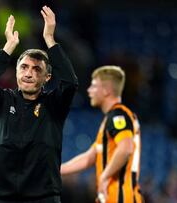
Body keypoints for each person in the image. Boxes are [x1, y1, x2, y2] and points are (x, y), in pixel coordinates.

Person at [0, 5, 78, 203]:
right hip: (3, 198)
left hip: (43, 198)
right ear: (16, 72)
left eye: (36, 69)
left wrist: (50, 40)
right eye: (23, 67)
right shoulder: (2, 101)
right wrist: (8, 47)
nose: (29, 73)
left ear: (47, 77)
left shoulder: (54, 104)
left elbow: (70, 83)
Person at [61, 66, 143, 203]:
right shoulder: (109, 119)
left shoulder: (118, 115)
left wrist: (105, 176)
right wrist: (57, 170)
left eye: (93, 86)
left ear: (106, 90)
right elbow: (89, 158)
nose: (89, 90)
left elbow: (126, 148)